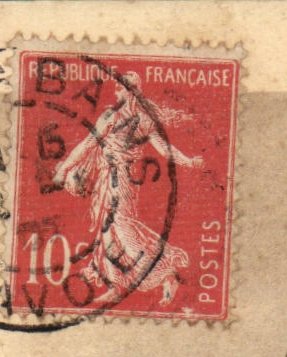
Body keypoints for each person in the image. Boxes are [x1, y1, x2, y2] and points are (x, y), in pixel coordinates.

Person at [51, 70, 202, 304]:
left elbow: (88, 144)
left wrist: (63, 170)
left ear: (130, 92)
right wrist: (188, 160)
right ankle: (117, 284)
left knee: (122, 230)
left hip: (119, 180)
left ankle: (165, 272)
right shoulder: (131, 118)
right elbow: (89, 145)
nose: (116, 91)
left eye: (120, 88)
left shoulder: (123, 118)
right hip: (113, 179)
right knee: (108, 231)